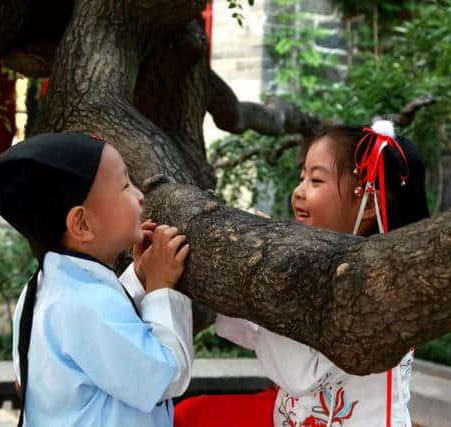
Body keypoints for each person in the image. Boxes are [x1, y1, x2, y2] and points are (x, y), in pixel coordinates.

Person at [174, 120, 430, 427]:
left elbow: (299, 374)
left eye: (316, 181)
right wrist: (245, 257)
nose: (298, 192)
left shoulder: (374, 283)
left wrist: (263, 268)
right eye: (302, 177)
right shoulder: (320, 261)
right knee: (191, 415)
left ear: (368, 204)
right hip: (295, 415)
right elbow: (261, 333)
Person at [0, 132, 193, 427]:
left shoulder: (48, 287)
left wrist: (140, 278)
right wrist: (160, 289)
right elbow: (164, 377)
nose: (140, 195)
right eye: (125, 185)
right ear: (81, 223)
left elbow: (108, 336)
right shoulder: (83, 304)